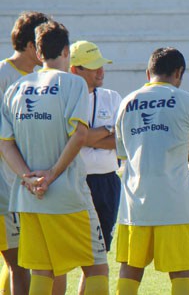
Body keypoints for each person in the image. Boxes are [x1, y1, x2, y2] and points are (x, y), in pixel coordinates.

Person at [0, 20, 109, 294]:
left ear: (38, 53)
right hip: (68, 194)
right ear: (65, 52)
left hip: (28, 197)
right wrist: (51, 175)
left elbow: (5, 143)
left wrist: (28, 177)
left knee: (43, 270)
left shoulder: (17, 87)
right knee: (96, 267)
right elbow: (80, 135)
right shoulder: (73, 84)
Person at [114, 47, 189, 295]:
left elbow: (125, 153)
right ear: (179, 73)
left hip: (134, 205)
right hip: (175, 205)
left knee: (130, 270)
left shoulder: (127, 102)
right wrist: (178, 152)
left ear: (148, 72)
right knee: (180, 273)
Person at [0, 10, 49, 294]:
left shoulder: (41, 77)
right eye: (43, 42)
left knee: (20, 262)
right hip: (7, 187)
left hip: (27, 184)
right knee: (19, 262)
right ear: (32, 46)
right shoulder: (5, 75)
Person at [69, 41, 121, 294]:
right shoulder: (64, 98)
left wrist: (85, 137)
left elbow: (121, 142)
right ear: (74, 70)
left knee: (98, 256)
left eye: (101, 65)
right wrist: (105, 132)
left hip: (106, 182)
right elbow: (69, 140)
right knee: (64, 255)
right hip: (73, 182)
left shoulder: (112, 97)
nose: (100, 71)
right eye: (93, 67)